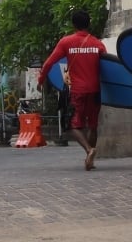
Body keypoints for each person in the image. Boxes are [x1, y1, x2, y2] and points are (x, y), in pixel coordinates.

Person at [38, 9, 106, 171]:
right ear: (88, 24)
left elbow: (48, 63)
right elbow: (107, 69)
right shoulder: (97, 43)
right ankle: (91, 161)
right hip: (96, 90)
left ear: (74, 24)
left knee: (73, 124)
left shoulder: (66, 42)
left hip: (78, 91)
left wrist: (41, 80)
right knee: (93, 125)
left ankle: (89, 150)